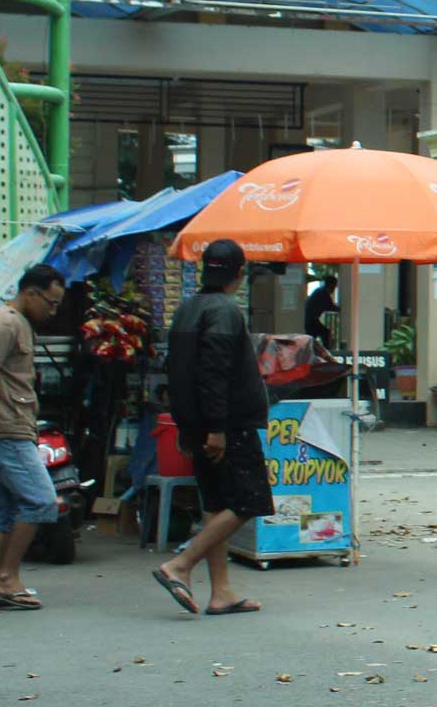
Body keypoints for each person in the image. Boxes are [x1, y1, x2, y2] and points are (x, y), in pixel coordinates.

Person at [151, 240, 269, 616]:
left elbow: (180, 374)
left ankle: (221, 592)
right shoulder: (224, 311)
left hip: (196, 424)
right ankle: (180, 566)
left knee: (215, 503)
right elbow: (214, 373)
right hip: (227, 425)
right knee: (250, 501)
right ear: (239, 274)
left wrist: (191, 428)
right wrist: (216, 428)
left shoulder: (188, 308)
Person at [0, 264, 66, 612]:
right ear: (31, 293)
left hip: (5, 426)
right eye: (50, 303)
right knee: (41, 501)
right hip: (4, 427)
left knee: (2, 509)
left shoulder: (17, 323)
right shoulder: (5, 323)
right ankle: (7, 579)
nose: (53, 311)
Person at [303, 272, 339, 350]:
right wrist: (340, 309)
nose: (334, 289)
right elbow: (330, 306)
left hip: (312, 320)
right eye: (334, 286)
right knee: (324, 333)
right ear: (330, 285)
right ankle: (327, 351)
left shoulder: (320, 291)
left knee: (318, 336)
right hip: (312, 321)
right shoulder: (323, 293)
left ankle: (316, 351)